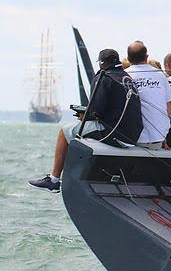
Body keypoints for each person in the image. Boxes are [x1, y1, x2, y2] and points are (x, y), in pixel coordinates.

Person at [29, 49, 143, 193]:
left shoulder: (103, 77)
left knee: (64, 132)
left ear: (102, 63)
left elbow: (96, 111)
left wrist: (84, 115)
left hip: (115, 135)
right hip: (133, 136)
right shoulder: (128, 78)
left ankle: (54, 180)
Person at [125, 41, 171, 149]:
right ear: (146, 57)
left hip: (133, 139)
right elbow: (170, 104)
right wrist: (164, 133)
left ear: (128, 59)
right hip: (158, 139)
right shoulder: (160, 75)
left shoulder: (125, 76)